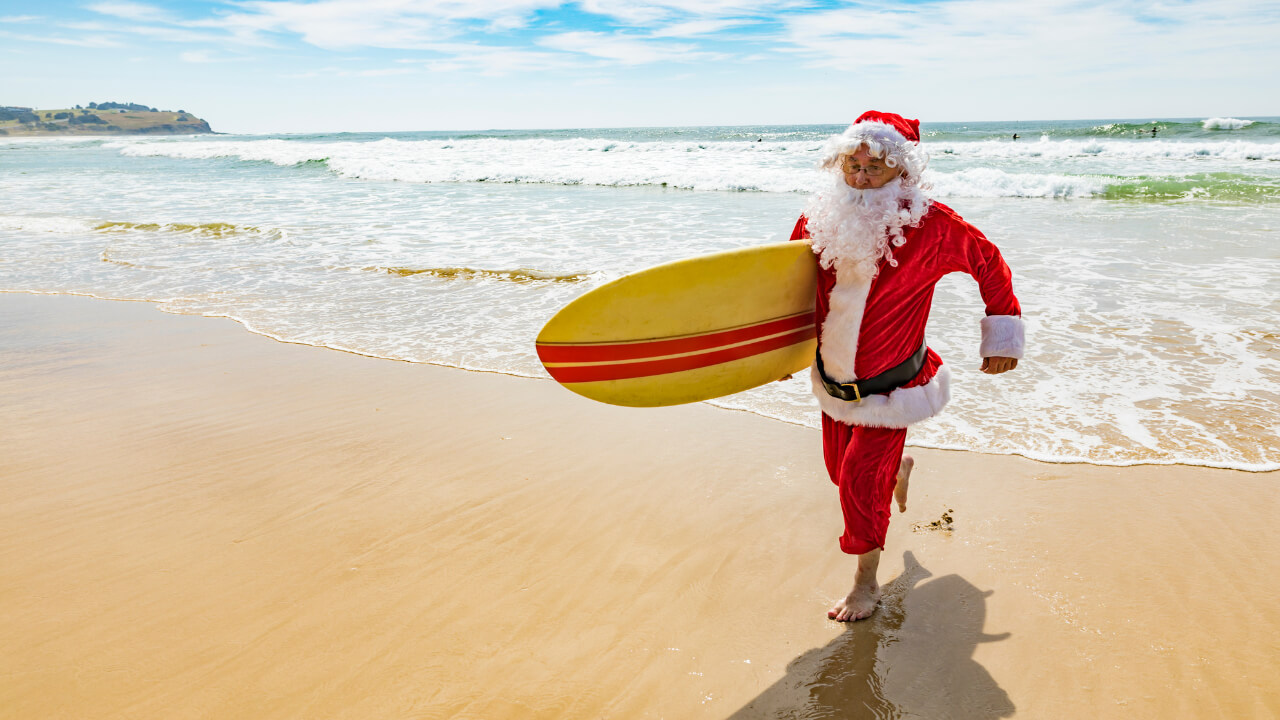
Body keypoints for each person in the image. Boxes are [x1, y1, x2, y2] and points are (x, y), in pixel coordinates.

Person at [789, 111, 1024, 621]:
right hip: (834, 380)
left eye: (874, 167)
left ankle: (865, 584)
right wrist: (776, 353)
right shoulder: (818, 218)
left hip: (891, 387)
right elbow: (789, 286)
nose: (859, 177)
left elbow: (988, 261)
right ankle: (898, 468)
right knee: (839, 472)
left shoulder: (932, 225)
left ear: (904, 170)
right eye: (851, 165)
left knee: (856, 482)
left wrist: (1001, 334)